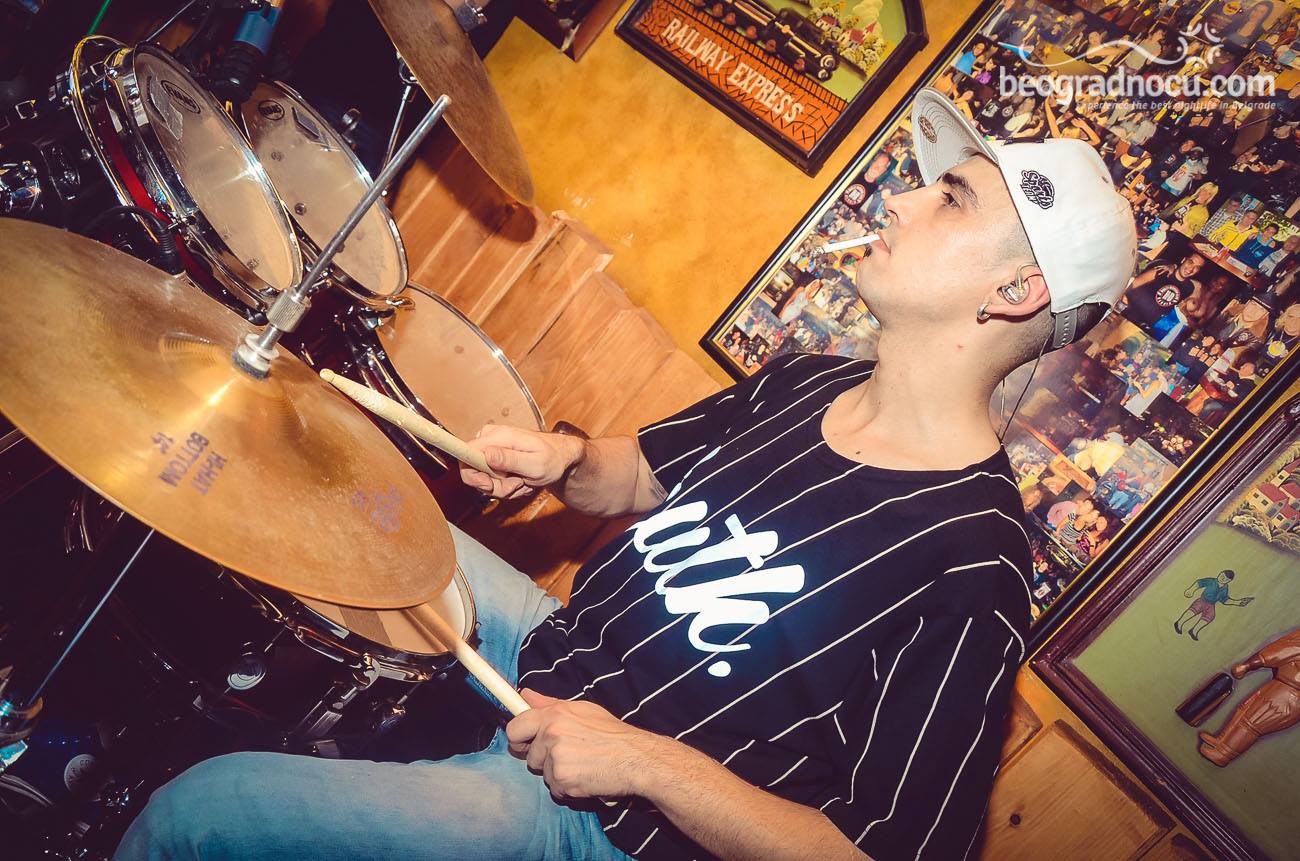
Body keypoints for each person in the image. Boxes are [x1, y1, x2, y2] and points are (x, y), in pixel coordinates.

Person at [113, 88, 1139, 861]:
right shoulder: (810, 380)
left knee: (198, 814)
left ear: (1016, 290)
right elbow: (639, 476)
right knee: (341, 487)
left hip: (605, 823)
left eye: (950, 198)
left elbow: (883, 852)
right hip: (555, 645)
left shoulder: (973, 566)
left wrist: (643, 762)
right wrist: (563, 461)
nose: (904, 200)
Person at [1175, 570, 1254, 641]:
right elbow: (1199, 583)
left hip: (1211, 605)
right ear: (1220, 574)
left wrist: (1238, 602)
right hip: (1203, 600)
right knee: (1193, 610)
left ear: (1229, 581)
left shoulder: (1225, 588)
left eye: (1226, 579)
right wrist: (1191, 590)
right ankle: (1179, 623)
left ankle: (1194, 631)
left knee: (1210, 616)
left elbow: (1225, 600)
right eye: (1222, 576)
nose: (1222, 579)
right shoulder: (1212, 581)